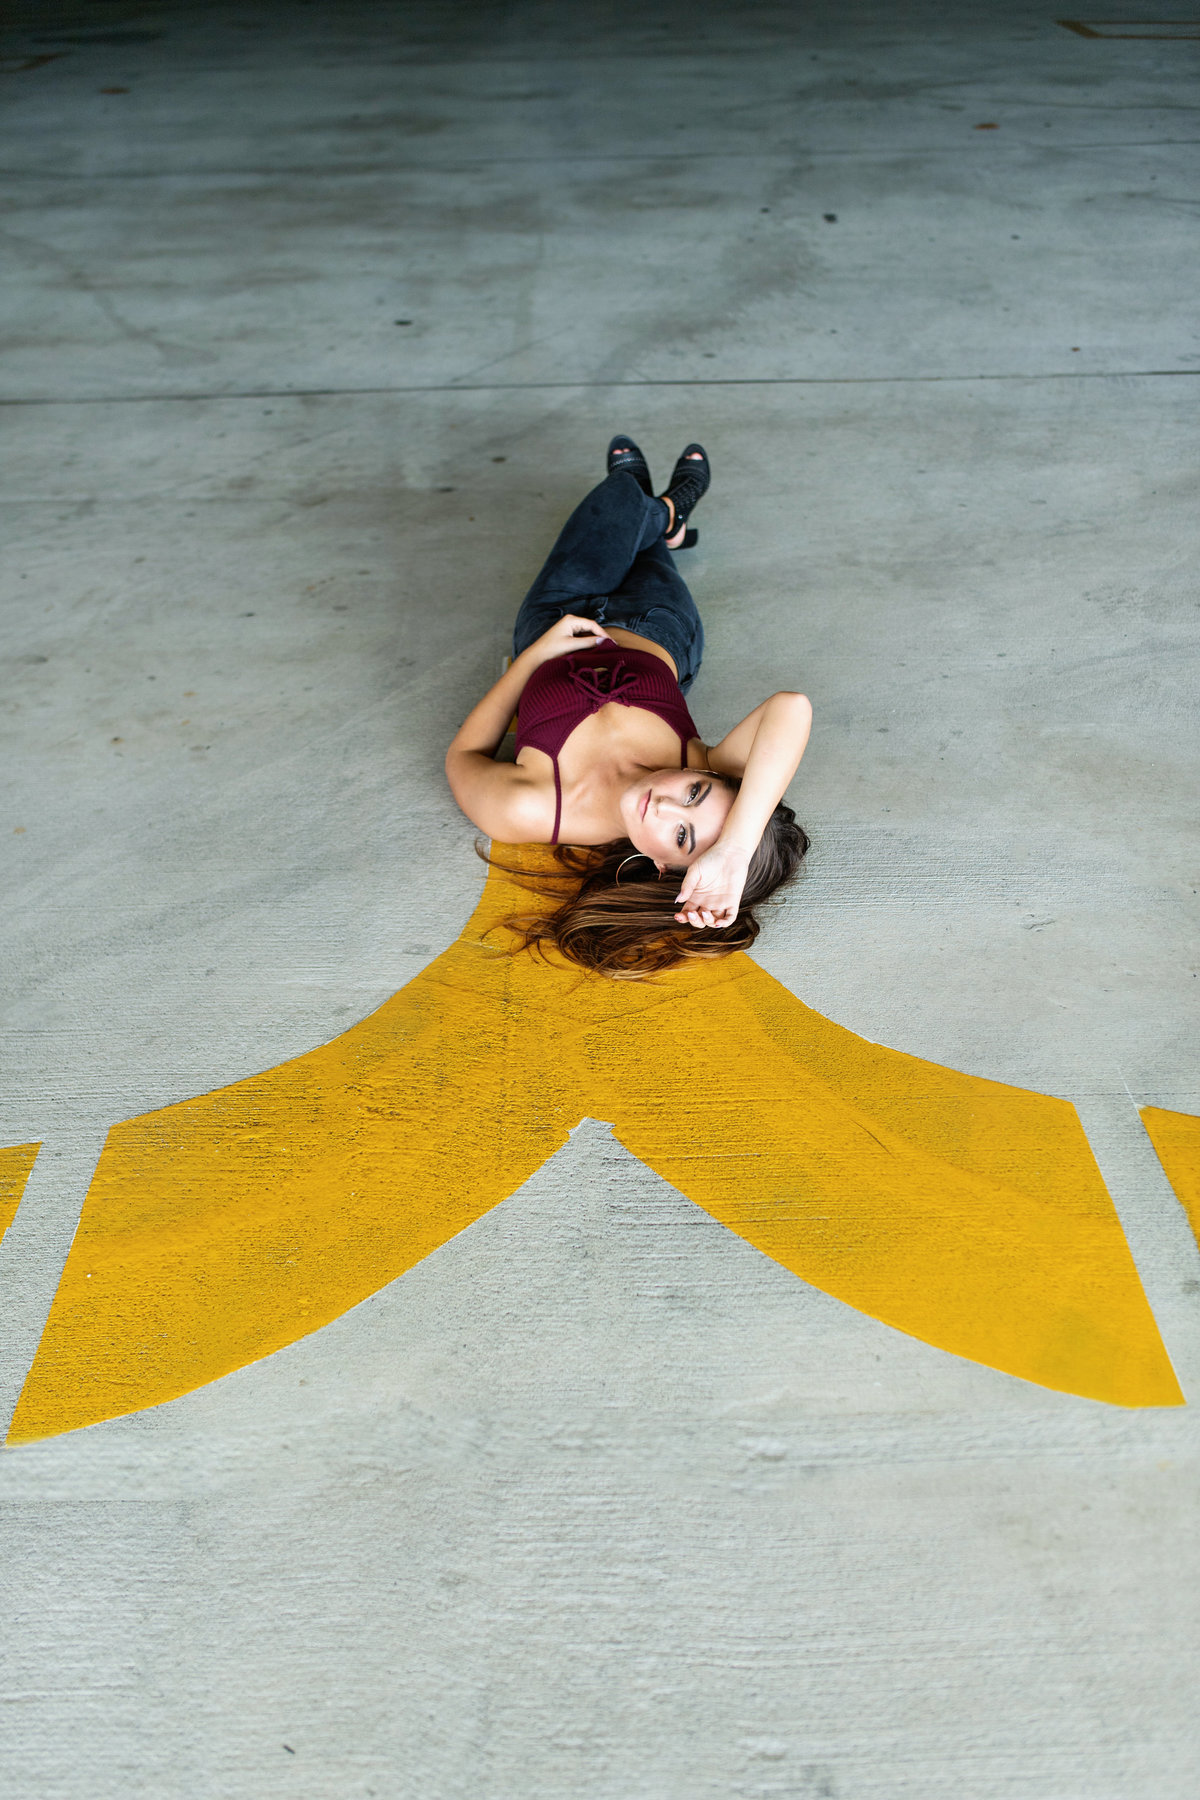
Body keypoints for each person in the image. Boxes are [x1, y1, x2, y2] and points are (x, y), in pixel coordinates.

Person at [445, 437, 812, 976]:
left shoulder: (537, 810)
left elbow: (465, 755)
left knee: (617, 499)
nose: (667, 805)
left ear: (663, 867)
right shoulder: (702, 761)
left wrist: (534, 658)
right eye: (694, 794)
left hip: (554, 618)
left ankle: (662, 515)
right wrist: (733, 848)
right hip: (657, 619)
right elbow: (792, 706)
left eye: (682, 837)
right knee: (627, 531)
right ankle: (665, 519)